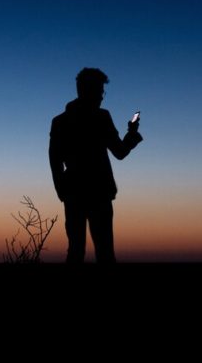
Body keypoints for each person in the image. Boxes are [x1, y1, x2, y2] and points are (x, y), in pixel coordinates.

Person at [49, 67, 143, 263]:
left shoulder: (60, 121)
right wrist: (132, 134)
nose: (102, 96)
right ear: (88, 91)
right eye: (100, 91)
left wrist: (62, 190)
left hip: (73, 192)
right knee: (105, 252)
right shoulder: (101, 118)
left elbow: (54, 160)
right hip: (98, 192)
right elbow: (120, 152)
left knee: (75, 251)